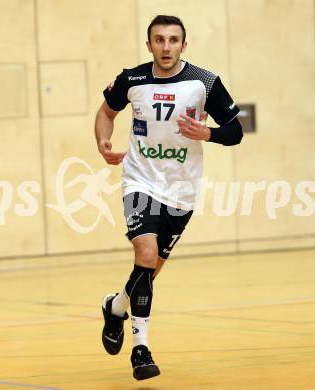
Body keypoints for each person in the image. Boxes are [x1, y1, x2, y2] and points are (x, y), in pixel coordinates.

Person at [94, 15, 243, 381]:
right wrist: (103, 142)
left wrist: (207, 133)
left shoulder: (204, 82)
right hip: (140, 181)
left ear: (183, 45)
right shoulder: (132, 78)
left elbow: (235, 131)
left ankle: (115, 306)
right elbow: (105, 113)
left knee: (151, 270)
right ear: (149, 45)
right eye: (159, 40)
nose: (166, 47)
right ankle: (141, 349)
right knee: (145, 255)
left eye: (173, 40)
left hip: (182, 189)